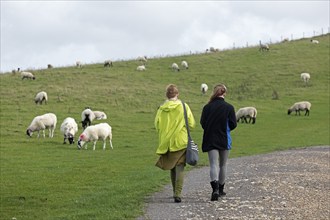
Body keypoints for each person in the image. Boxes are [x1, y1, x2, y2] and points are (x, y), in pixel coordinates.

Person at [154, 84, 196, 203]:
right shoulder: (183, 106)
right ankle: (177, 193)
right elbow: (192, 124)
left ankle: (174, 192)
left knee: (172, 167)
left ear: (166, 95)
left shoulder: (161, 108)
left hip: (166, 142)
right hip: (180, 141)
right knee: (180, 166)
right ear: (177, 94)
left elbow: (156, 125)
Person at [200, 83, 237, 201]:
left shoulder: (207, 107)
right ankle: (221, 189)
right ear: (224, 93)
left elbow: (203, 123)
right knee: (223, 165)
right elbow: (233, 124)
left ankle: (214, 189)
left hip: (210, 138)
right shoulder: (229, 107)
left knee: (213, 164)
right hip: (224, 139)